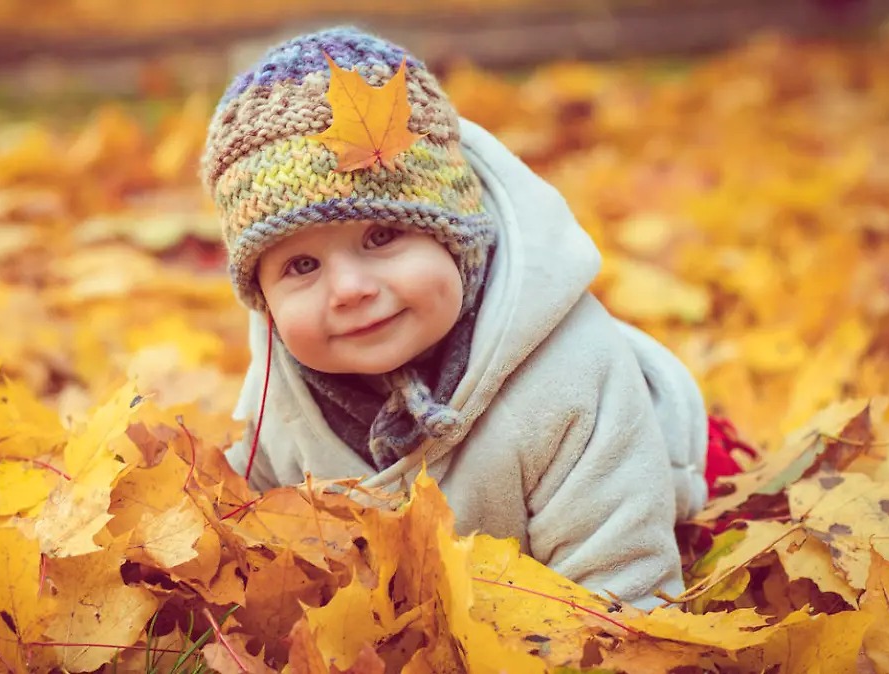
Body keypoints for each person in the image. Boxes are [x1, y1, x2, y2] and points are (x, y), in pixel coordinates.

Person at [200, 26, 746, 610]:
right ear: (263, 299)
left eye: (381, 236)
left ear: (457, 236)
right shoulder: (279, 404)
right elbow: (256, 534)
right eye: (302, 265)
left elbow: (623, 587)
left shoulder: (569, 380)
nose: (350, 290)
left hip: (637, 500)